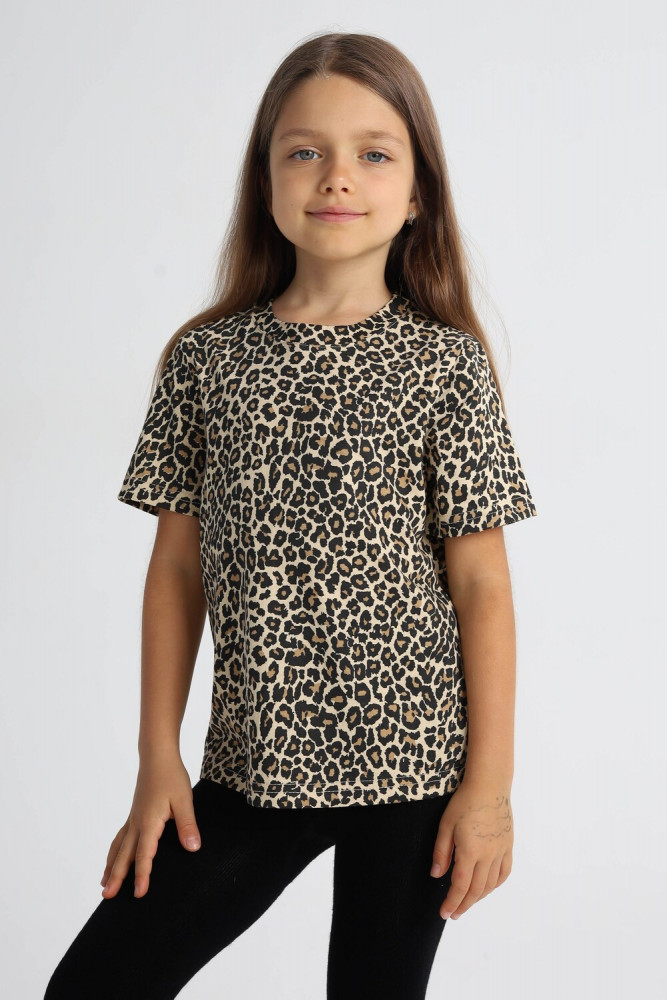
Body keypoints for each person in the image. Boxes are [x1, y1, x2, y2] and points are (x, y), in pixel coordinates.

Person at [44, 30, 538, 1000]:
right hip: (252, 765)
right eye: (304, 150)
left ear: (418, 192)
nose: (336, 176)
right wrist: (156, 758)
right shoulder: (205, 361)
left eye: (373, 153)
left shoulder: (445, 365)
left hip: (413, 764)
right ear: (265, 180)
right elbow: (175, 569)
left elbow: (482, 584)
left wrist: (489, 789)